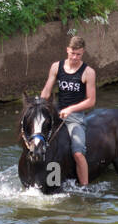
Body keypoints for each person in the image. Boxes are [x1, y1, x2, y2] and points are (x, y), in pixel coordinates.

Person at [39, 36, 96, 185]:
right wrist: (41, 104)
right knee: (36, 136)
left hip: (75, 116)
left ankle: (85, 187)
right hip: (56, 111)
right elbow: (47, 91)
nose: (75, 57)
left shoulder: (88, 72)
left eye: (78, 54)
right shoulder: (56, 67)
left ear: (83, 52)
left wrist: (70, 109)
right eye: (72, 53)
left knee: (77, 153)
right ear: (67, 50)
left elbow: (91, 100)